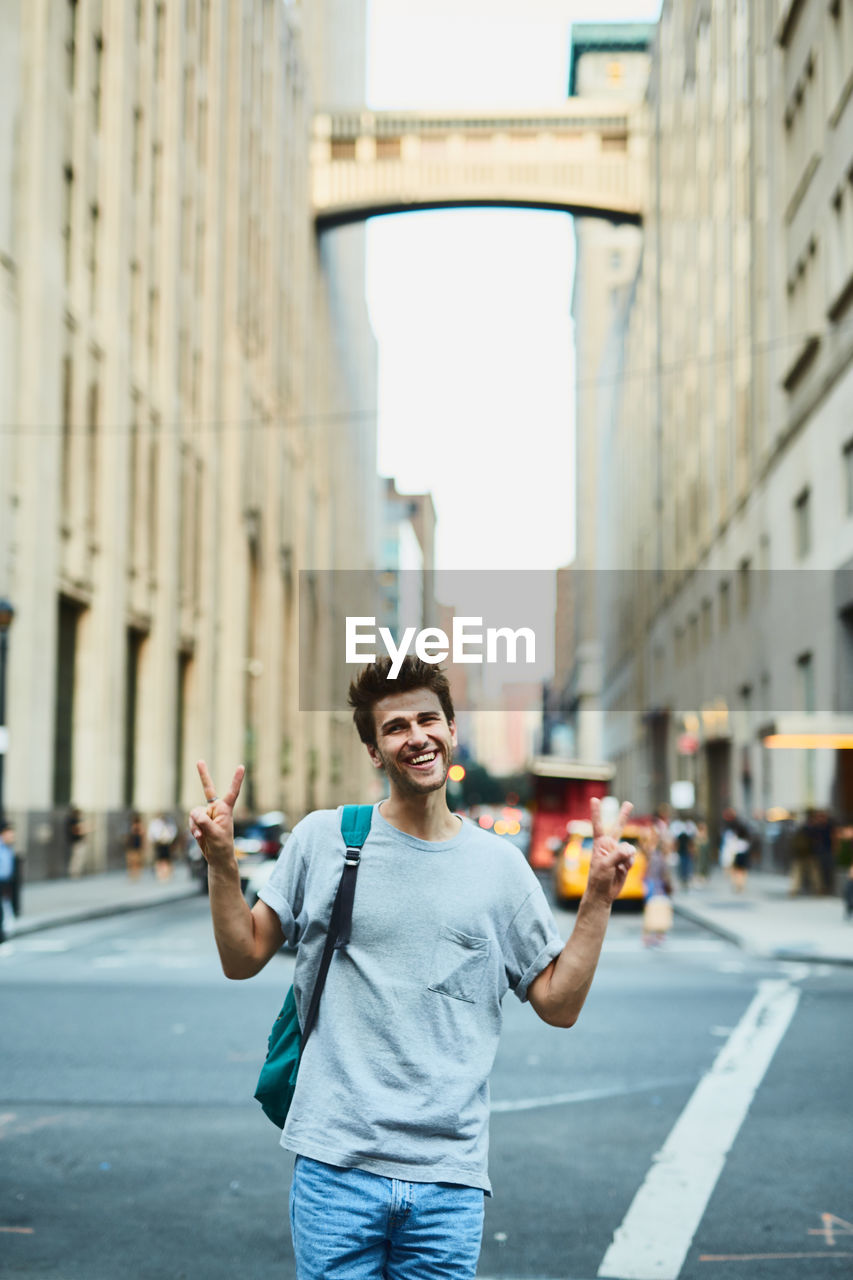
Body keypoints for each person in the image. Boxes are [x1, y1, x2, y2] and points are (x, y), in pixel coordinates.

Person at [189, 655, 635, 1280]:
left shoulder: (500, 869)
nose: (416, 736)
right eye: (395, 728)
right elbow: (243, 957)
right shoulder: (324, 839)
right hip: (335, 1165)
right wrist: (220, 863)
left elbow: (558, 1005)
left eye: (429, 719)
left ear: (452, 730)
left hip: (448, 1179)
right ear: (374, 751)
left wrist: (597, 900)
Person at [148, 812, 177, 881]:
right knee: (159, 860)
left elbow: (173, 832)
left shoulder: (169, 823)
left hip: (166, 843)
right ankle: (160, 875)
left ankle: (167, 874)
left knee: (167, 859)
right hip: (159, 843)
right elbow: (152, 834)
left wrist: (170, 840)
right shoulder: (155, 823)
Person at [0, 822, 15, 943]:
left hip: (5, 881)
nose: (12, 835)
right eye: (9, 832)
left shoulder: (7, 846)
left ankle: (4, 931)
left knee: (4, 906)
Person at [67, 805, 88, 878]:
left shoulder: (74, 821)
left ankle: (76, 873)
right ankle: (74, 873)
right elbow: (76, 831)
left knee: (77, 858)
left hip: (77, 842)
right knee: (76, 858)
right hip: (77, 842)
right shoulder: (73, 821)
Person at [125, 811, 145, 880]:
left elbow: (142, 835)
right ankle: (132, 874)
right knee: (131, 861)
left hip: (137, 846)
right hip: (131, 846)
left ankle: (136, 874)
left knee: (137, 861)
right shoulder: (130, 827)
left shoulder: (140, 827)